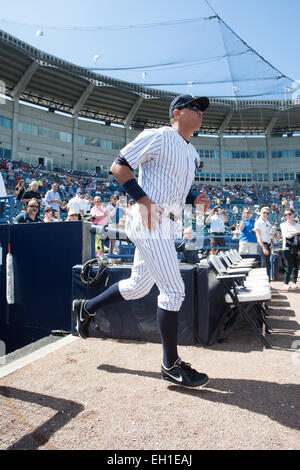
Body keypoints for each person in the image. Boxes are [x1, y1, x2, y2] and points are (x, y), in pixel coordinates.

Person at [73, 93, 211, 388]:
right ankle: (170, 365)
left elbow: (174, 189)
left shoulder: (192, 152)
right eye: (194, 107)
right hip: (148, 219)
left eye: (202, 109)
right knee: (173, 291)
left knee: (137, 287)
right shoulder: (160, 136)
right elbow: (120, 166)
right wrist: (145, 202)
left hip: (166, 221)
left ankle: (86, 307)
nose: (200, 112)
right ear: (176, 113)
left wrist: (193, 199)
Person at [280, 208, 300, 291]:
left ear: (293, 214)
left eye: (289, 214)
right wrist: (297, 232)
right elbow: (287, 235)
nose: (288, 216)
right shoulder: (283, 225)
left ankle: (294, 283)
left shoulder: (298, 225)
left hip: (297, 248)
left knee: (296, 266)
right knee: (289, 266)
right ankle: (286, 283)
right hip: (287, 248)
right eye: (286, 215)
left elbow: (290, 234)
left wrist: (293, 233)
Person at [254, 207, 272, 280]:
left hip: (267, 244)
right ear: (260, 212)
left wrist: (270, 244)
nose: (265, 214)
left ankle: (267, 283)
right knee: (264, 264)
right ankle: (264, 282)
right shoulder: (258, 222)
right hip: (262, 245)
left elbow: (268, 235)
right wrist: (264, 248)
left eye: (267, 213)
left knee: (268, 264)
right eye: (264, 212)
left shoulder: (267, 222)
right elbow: (258, 237)